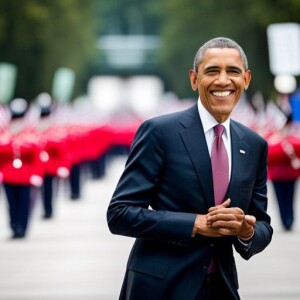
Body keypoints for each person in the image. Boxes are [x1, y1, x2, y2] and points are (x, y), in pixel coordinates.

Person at [107, 37, 273, 300]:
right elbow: (119, 214)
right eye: (212, 71)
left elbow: (263, 224)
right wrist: (194, 224)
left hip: (222, 288)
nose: (222, 81)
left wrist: (246, 230)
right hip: (161, 289)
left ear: (246, 79)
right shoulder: (159, 132)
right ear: (194, 79)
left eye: (232, 71)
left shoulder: (254, 145)